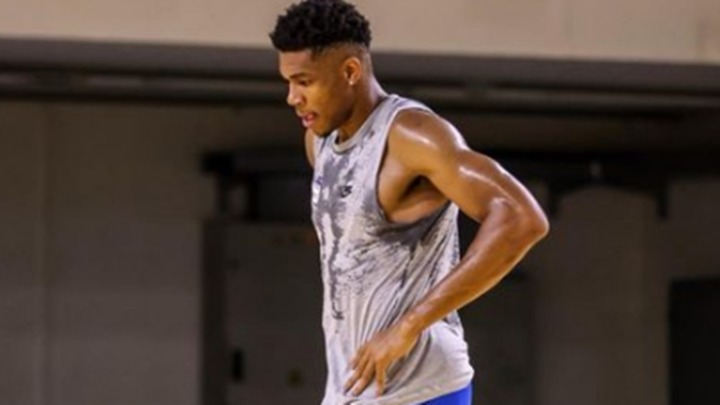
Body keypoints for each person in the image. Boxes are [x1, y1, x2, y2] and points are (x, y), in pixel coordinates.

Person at [270, 1, 549, 404]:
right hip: (355, 387)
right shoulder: (319, 143)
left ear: (350, 71)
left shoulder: (412, 135)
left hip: (422, 387)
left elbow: (521, 218)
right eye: (288, 83)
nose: (292, 97)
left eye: (304, 82)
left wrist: (409, 325)